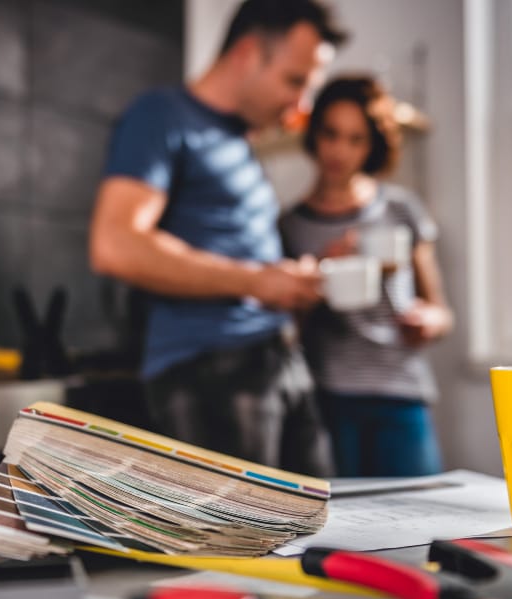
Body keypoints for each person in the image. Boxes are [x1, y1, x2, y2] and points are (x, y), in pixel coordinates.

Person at [88, 0, 348, 476]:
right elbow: (116, 243)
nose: (301, 107)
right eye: (294, 81)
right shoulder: (160, 116)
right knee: (248, 547)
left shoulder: (237, 142)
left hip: (277, 359)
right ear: (248, 53)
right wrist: (255, 281)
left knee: (319, 528)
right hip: (211, 370)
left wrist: (288, 282)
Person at [279, 75, 454, 477]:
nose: (340, 151)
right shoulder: (291, 225)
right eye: (331, 134)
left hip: (402, 394)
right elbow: (288, 332)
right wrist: (322, 271)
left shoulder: (401, 209)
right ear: (314, 135)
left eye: (356, 139)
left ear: (372, 145)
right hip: (329, 399)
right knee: (340, 531)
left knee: (418, 528)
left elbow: (442, 312)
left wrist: (429, 321)